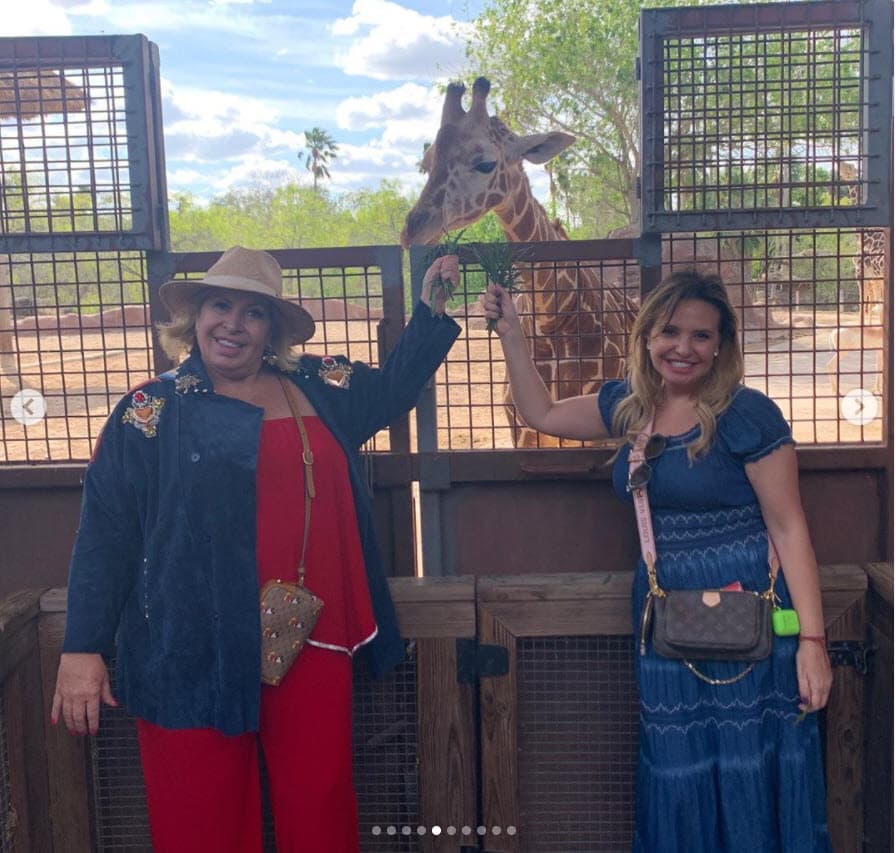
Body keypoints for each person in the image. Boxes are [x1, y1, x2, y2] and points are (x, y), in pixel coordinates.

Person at [52, 245, 461, 853]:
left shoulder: (318, 385)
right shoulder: (150, 410)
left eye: (254, 312)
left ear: (272, 329)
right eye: (221, 306)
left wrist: (430, 308)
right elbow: (107, 529)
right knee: (199, 817)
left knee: (319, 803)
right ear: (195, 317)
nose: (233, 324)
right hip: (187, 643)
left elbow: (394, 390)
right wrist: (82, 645)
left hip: (306, 633)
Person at [481, 269, 833, 852]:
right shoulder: (627, 406)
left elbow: (790, 527)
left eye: (701, 335)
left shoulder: (749, 415)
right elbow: (540, 415)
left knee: (752, 763)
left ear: (721, 345)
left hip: (751, 622)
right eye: (670, 332)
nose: (683, 348)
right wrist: (511, 334)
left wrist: (813, 647)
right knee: (676, 764)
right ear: (646, 336)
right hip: (666, 621)